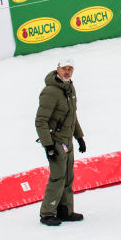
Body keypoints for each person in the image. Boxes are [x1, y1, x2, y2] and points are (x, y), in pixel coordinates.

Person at [35, 58, 85, 226]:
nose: (67, 72)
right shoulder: (50, 92)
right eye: (64, 68)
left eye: (70, 69)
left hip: (67, 140)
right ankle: (47, 213)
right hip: (55, 140)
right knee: (58, 177)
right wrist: (48, 145)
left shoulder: (69, 88)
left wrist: (79, 137)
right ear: (58, 69)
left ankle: (65, 210)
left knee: (68, 176)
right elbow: (40, 121)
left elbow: (72, 115)